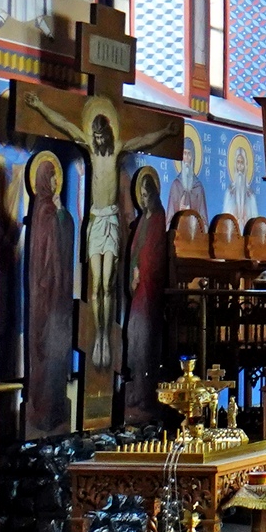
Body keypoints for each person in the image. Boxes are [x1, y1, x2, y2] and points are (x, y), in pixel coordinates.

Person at [24, 91, 178, 369]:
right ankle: (100, 337)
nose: (95, 140)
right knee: (96, 285)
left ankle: (106, 334)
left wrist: (166, 132)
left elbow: (143, 140)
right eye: (92, 137)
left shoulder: (117, 149)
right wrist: (41, 104)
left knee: (109, 283)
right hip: (96, 221)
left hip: (112, 221)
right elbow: (64, 125)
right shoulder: (91, 150)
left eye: (98, 136)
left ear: (106, 133)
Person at [22, 152, 74, 439]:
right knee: (46, 352)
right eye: (52, 176)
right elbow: (44, 257)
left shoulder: (52, 210)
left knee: (57, 352)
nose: (56, 181)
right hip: (46, 297)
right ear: (42, 180)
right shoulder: (43, 211)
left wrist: (63, 214)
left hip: (58, 297)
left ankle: (55, 412)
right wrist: (58, 215)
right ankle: (43, 413)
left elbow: (64, 240)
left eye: (57, 175)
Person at [120, 168, 168, 425]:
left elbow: (154, 255)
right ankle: (137, 394)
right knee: (135, 341)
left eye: (146, 193)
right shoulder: (142, 221)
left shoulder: (158, 218)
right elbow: (136, 253)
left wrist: (141, 272)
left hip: (148, 293)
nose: (143, 198)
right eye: (140, 193)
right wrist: (133, 274)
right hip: (138, 291)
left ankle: (146, 396)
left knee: (145, 342)